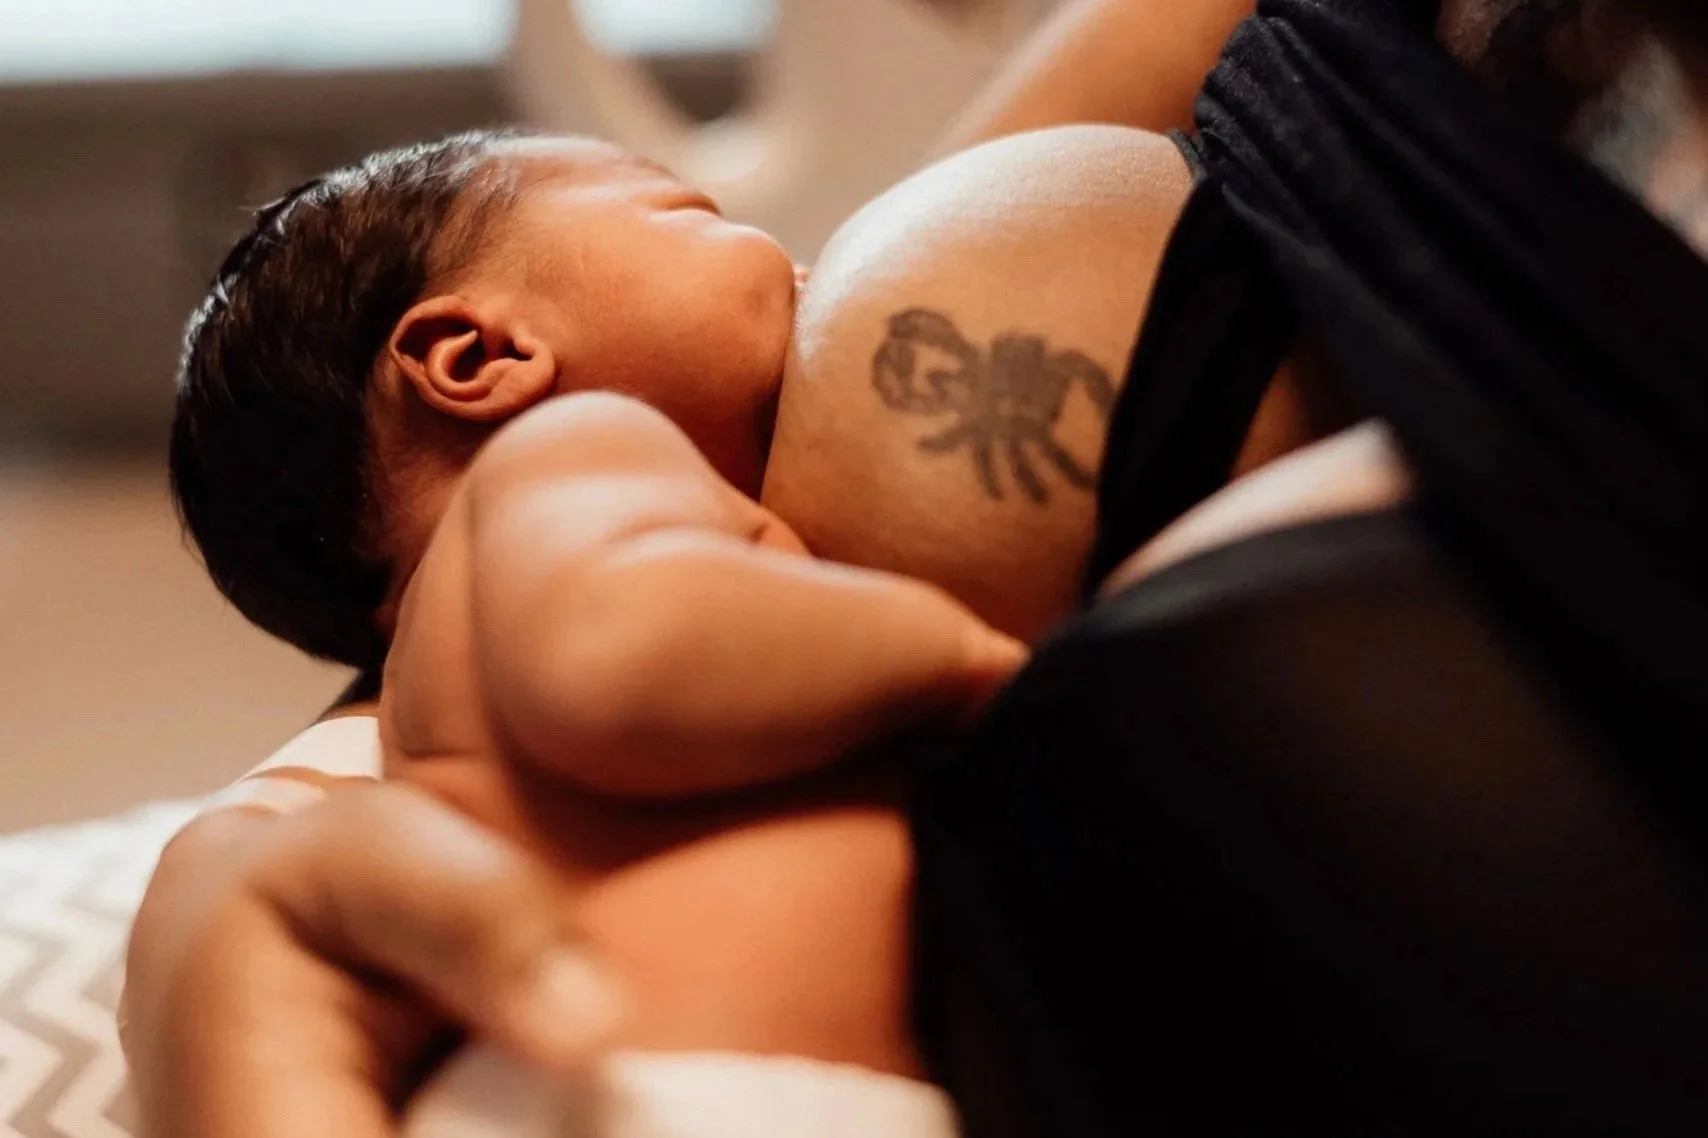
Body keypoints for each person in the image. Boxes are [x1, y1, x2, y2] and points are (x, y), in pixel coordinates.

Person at [129, 0, 1708, 1134]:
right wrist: (954, 664)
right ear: (480, 356)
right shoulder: (566, 477)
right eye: (686, 208)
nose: (792, 255)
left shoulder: (470, 649)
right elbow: (619, 651)